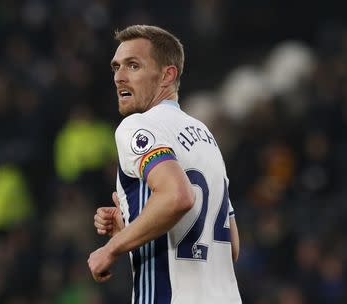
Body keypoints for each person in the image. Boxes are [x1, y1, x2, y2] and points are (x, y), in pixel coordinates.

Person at [88, 24, 241, 303]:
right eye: (116, 67)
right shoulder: (206, 137)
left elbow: (178, 196)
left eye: (133, 66)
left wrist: (111, 248)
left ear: (167, 75)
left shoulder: (136, 126)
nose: (119, 77)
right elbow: (230, 246)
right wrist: (132, 223)